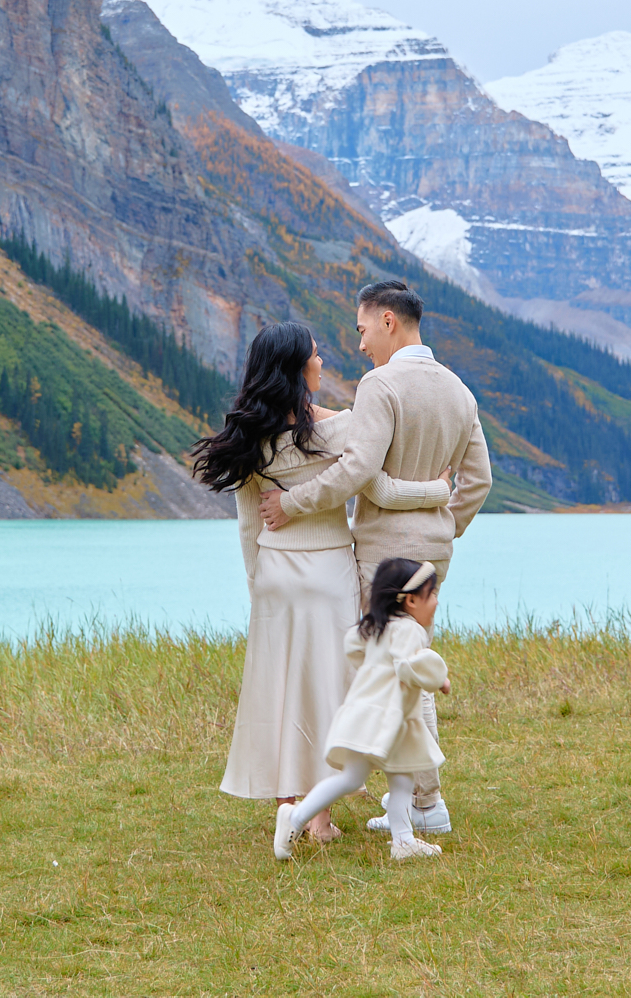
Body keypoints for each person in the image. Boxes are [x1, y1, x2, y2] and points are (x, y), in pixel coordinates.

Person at [193, 322, 452, 842]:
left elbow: (249, 523)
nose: (322, 361)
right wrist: (436, 490)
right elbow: (372, 483)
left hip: (274, 572)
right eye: (314, 355)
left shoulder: (248, 438)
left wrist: (257, 585)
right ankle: (321, 821)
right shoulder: (340, 430)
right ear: (296, 368)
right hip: (329, 564)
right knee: (326, 688)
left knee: (280, 689)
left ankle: (287, 805)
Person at [260, 280, 489, 836]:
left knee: (394, 669)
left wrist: (292, 503)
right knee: (408, 657)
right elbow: (479, 480)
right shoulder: (460, 391)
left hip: (385, 547)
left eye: (363, 329)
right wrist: (442, 525)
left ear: (388, 321)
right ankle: (409, 801)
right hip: (436, 548)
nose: (359, 344)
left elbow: (358, 470)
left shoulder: (380, 385)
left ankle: (426, 804)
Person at [274, 556, 451, 862]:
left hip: (374, 714)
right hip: (384, 718)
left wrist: (373, 671)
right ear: (410, 600)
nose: (435, 601)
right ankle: (295, 816)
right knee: (355, 778)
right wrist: (439, 678)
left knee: (400, 775)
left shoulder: (378, 626)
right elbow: (408, 665)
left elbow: (353, 645)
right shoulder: (410, 630)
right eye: (431, 595)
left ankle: (403, 839)